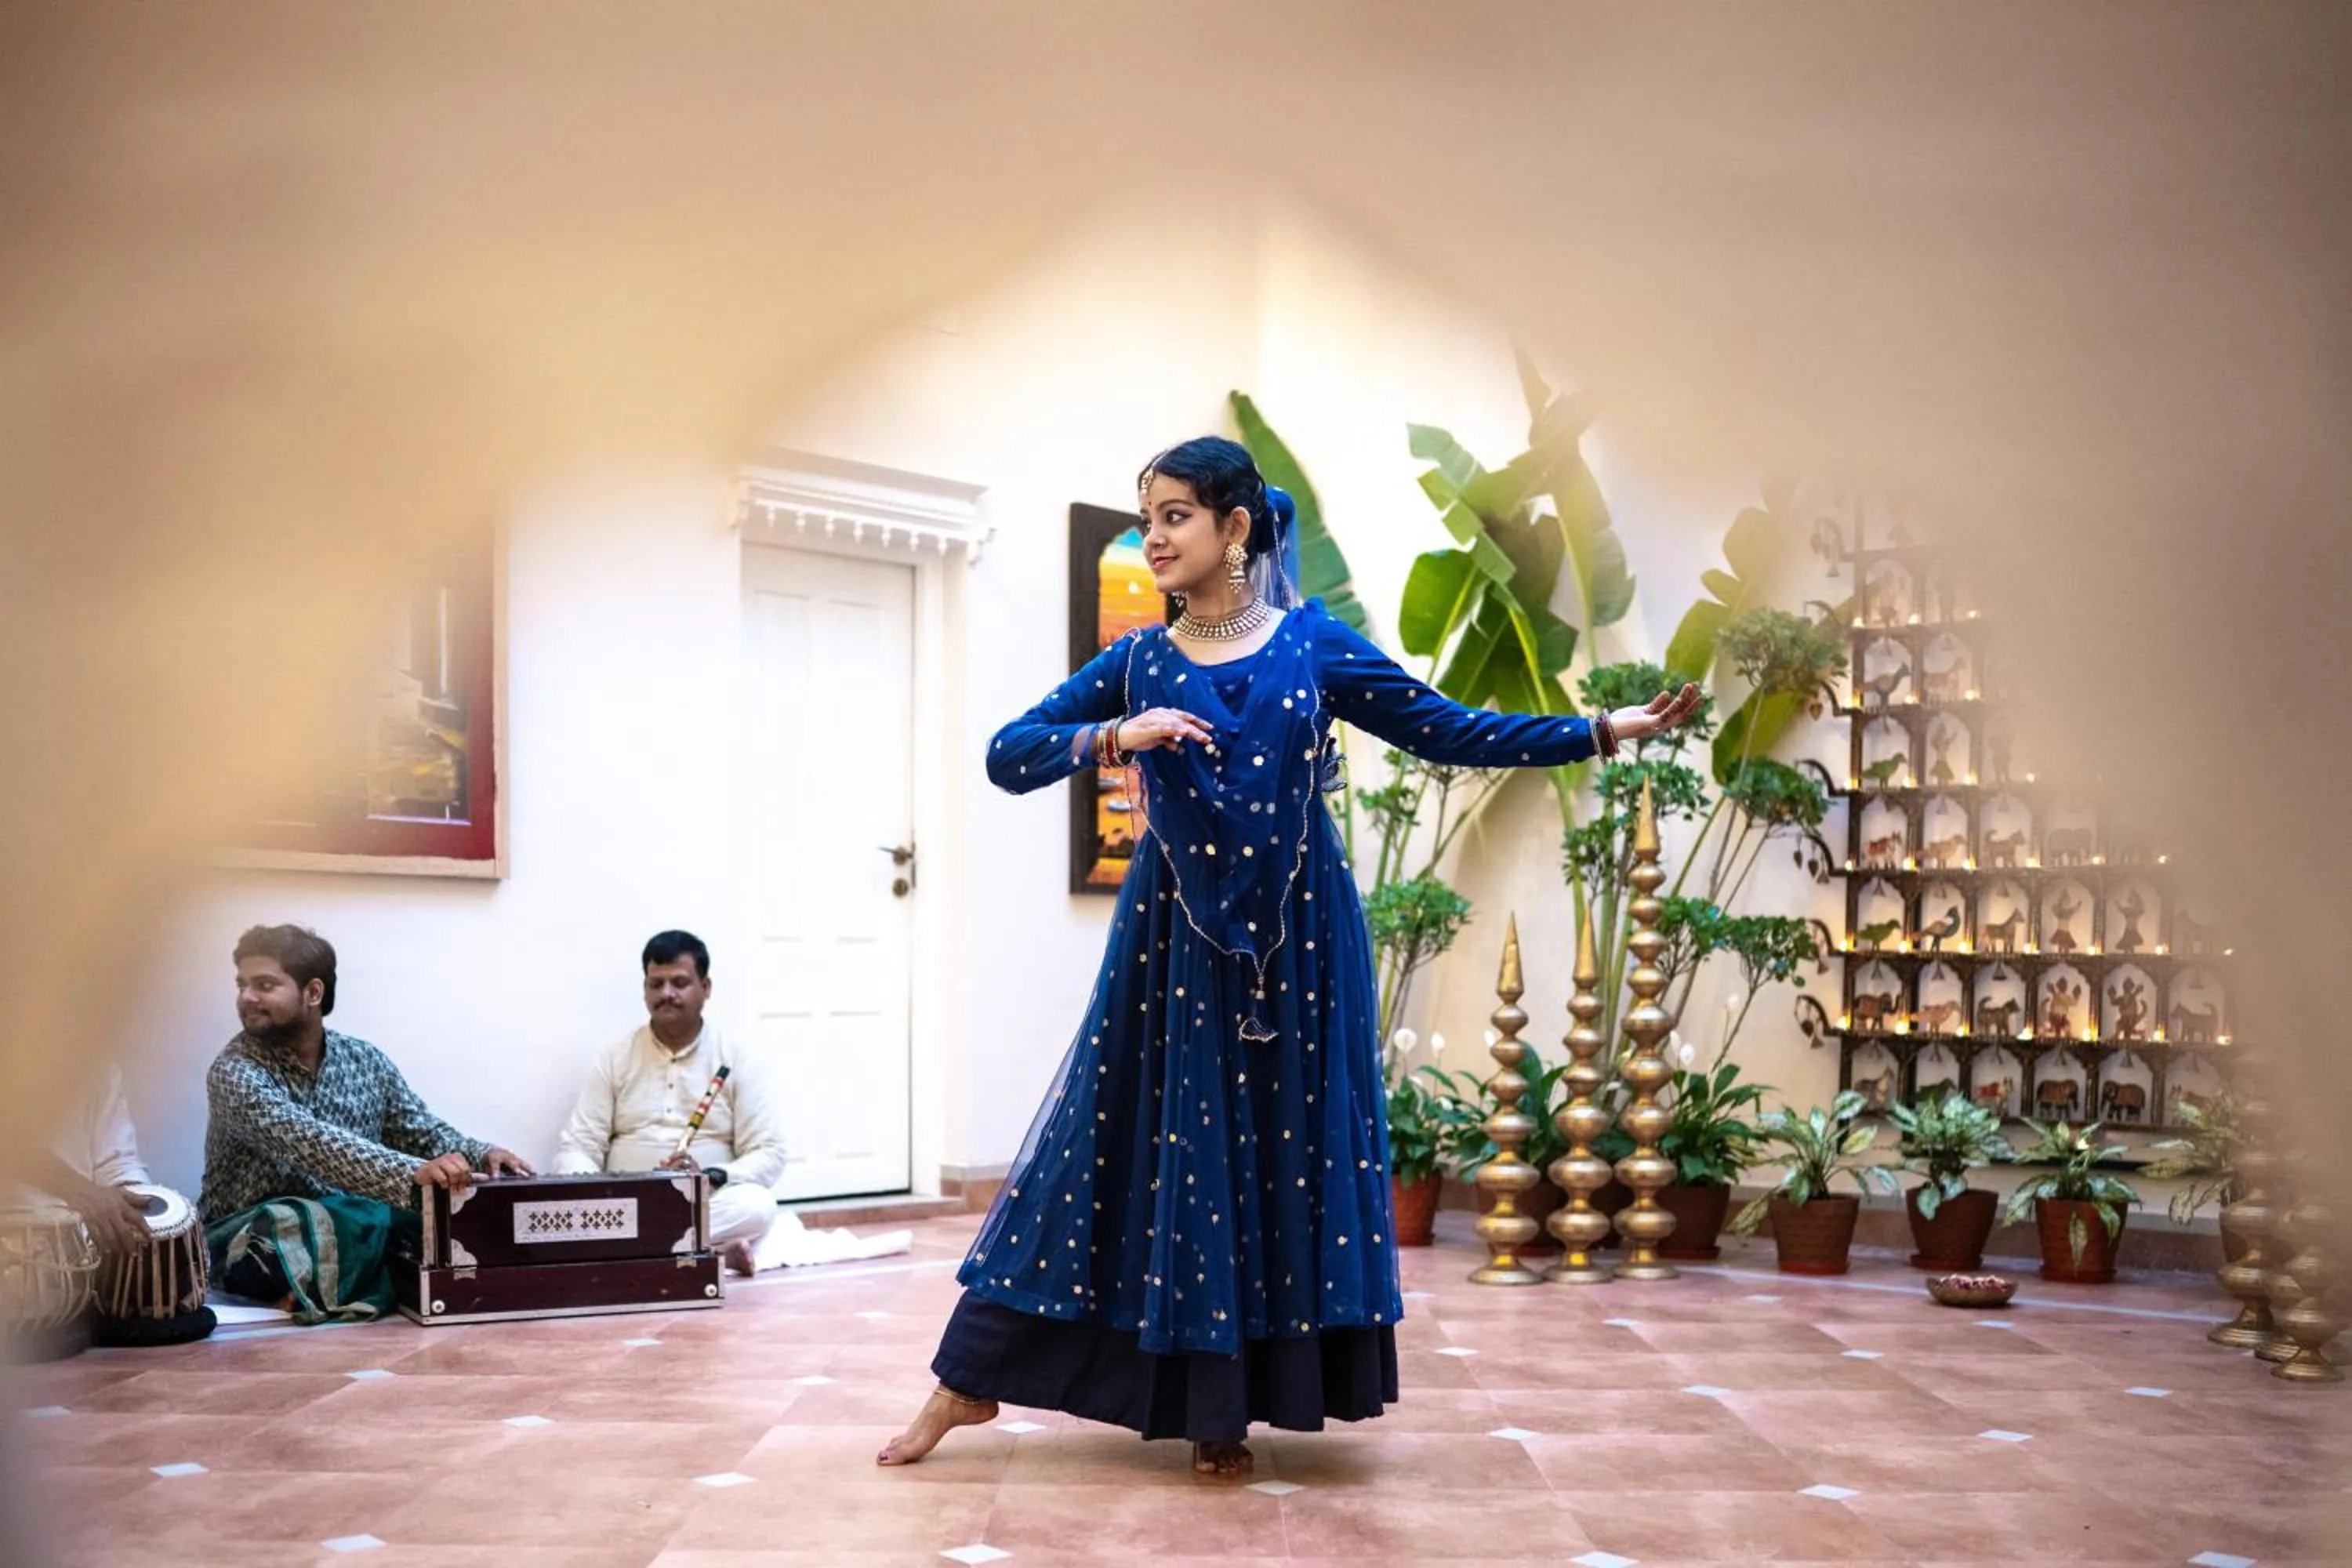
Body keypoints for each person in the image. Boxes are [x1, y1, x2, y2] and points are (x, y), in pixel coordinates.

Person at [878, 436, 1700, 1475]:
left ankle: (1223, 1413)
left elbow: (1449, 731)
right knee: (1116, 1142)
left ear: (1235, 528)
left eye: (1176, 514)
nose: (1154, 536)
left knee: (1272, 1155)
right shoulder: (1139, 661)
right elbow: (1009, 754)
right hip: (1171, 948)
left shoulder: (1313, 644)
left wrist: (1602, 729)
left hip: (1302, 943)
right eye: (1147, 517)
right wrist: (1115, 738)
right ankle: (969, 1382)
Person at [199, 924, 532, 1322]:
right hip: (257, 1234)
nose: (247, 998)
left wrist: (482, 1154)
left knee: (445, 1214)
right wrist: (413, 1175)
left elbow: (420, 1131)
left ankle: (336, 1284)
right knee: (311, 1218)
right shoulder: (235, 1072)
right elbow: (310, 1143)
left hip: (355, 1225)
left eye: (265, 985)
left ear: (313, 993)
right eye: (242, 985)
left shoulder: (364, 1060)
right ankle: (343, 1278)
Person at [550, 931, 786, 1276]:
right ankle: (704, 1251)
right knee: (558, 1195)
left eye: (679, 983)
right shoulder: (616, 1056)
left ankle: (631, 1249)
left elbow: (770, 1152)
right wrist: (598, 1194)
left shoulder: (736, 1059)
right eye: (655, 984)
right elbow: (578, 1143)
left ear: (706, 988)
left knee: (757, 1207)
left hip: (701, 1203)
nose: (666, 995)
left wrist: (711, 1177)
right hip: (622, 1204)